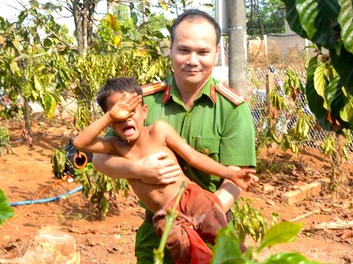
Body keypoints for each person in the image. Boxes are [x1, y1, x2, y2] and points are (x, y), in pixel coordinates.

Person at [92, 9, 256, 263]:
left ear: (217, 51)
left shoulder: (233, 108)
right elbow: (100, 160)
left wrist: (197, 220)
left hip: (212, 232)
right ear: (170, 49)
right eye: (183, 50)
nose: (192, 60)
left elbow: (235, 178)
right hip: (156, 235)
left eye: (202, 52)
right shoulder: (141, 102)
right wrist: (136, 169)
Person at [73, 77, 258, 263]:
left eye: (131, 111)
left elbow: (192, 156)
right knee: (188, 251)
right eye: (118, 115)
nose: (125, 117)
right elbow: (80, 143)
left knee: (226, 241)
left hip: (191, 198)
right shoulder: (116, 147)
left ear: (145, 112)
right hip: (165, 215)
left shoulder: (158, 131)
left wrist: (230, 174)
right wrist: (110, 116)